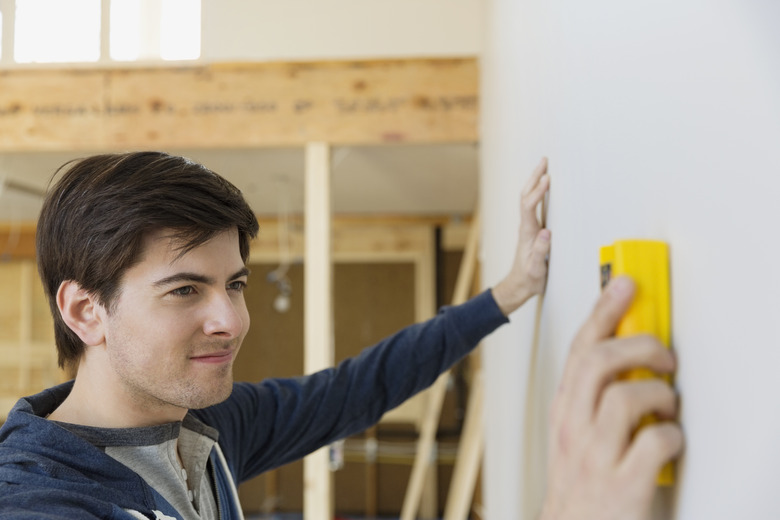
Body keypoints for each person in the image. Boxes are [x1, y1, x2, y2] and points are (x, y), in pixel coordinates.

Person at [0, 152, 682, 520]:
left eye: (234, 284)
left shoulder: (203, 430)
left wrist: (508, 293)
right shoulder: (38, 500)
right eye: (184, 290)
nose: (231, 320)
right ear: (86, 312)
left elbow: (358, 388)